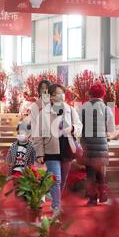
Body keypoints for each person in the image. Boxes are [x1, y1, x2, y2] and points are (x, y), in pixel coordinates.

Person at [32, 84, 82, 212]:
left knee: (63, 179)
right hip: (51, 149)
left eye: (62, 92)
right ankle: (56, 206)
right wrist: (40, 153)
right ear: (51, 96)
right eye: (57, 93)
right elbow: (37, 135)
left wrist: (73, 128)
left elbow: (79, 126)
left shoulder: (70, 110)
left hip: (67, 148)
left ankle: (55, 198)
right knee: (56, 179)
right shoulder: (44, 113)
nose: (60, 95)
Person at [80, 82, 116, 206]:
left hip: (88, 145)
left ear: (90, 94)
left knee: (90, 172)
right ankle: (103, 193)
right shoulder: (106, 109)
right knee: (100, 170)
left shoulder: (84, 107)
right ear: (102, 95)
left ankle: (92, 199)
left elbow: (78, 126)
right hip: (101, 144)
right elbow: (111, 129)